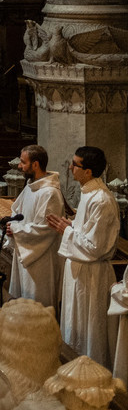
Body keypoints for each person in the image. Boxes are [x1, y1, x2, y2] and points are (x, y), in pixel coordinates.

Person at [47, 146, 118, 367]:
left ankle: (90, 375)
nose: (70, 168)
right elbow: (86, 234)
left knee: (90, 332)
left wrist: (66, 231)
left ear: (88, 171)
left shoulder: (101, 200)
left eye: (75, 164)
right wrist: (71, 227)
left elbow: (95, 247)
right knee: (74, 328)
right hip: (80, 273)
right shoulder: (88, 193)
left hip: (92, 276)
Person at [4, 145, 66, 307]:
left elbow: (45, 230)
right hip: (26, 254)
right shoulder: (31, 186)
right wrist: (12, 225)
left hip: (41, 261)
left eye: (23, 162)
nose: (19, 166)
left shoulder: (50, 193)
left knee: (38, 307)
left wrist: (16, 229)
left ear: (36, 164)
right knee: (23, 305)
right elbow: (16, 210)